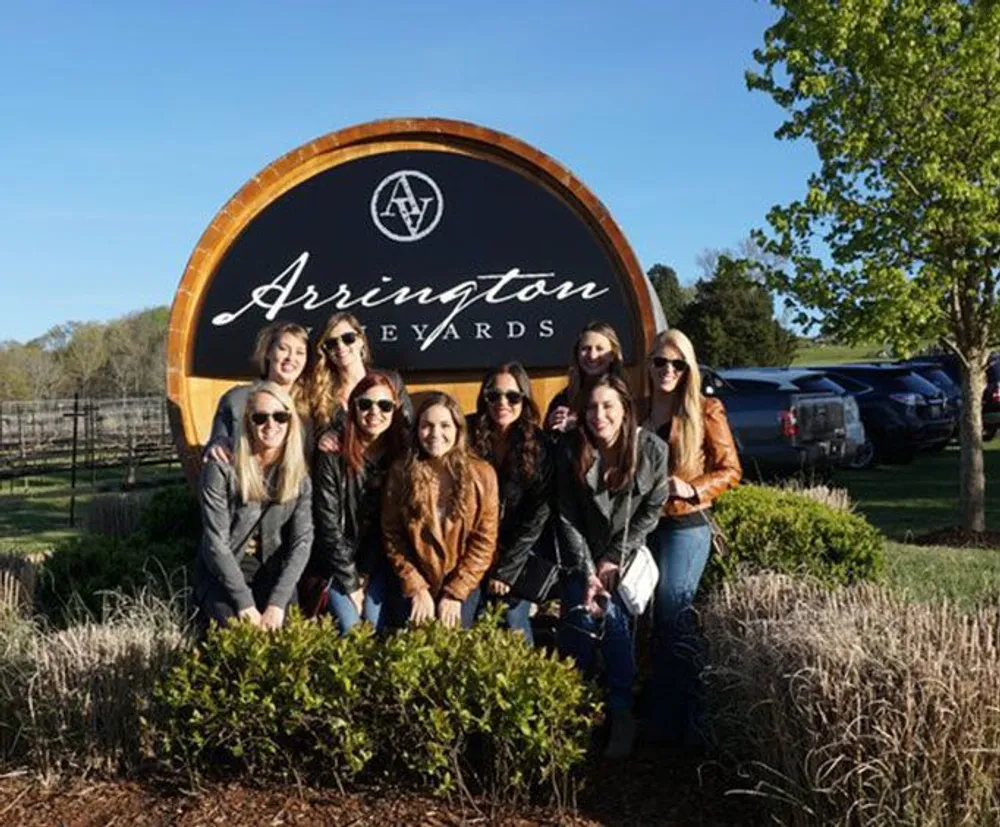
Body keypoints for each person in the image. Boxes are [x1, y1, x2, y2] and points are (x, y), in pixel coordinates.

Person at [555, 374, 669, 759]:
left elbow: (654, 507)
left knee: (617, 628)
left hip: (622, 558)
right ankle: (580, 713)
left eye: (608, 406)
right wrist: (588, 570)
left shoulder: (651, 450)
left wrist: (614, 560)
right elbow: (566, 516)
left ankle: (621, 715)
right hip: (580, 557)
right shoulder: (573, 450)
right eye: (591, 407)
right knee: (579, 625)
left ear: (624, 410)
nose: (598, 414)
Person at [642, 328, 741, 747]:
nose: (668, 370)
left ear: (688, 368)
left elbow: (731, 470)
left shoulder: (706, 409)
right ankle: (657, 716)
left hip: (686, 524)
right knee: (643, 617)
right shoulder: (636, 410)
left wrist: (694, 488)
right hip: (642, 525)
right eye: (661, 362)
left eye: (677, 364)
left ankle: (696, 716)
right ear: (649, 365)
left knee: (673, 611)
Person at [195, 381, 313, 630]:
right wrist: (245, 603)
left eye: (280, 417)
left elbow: (302, 542)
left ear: (291, 422)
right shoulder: (221, 468)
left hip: (271, 569)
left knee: (287, 637)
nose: (271, 425)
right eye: (260, 417)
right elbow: (216, 544)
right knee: (239, 634)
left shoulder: (298, 475)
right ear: (248, 422)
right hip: (225, 570)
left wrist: (278, 603)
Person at [382, 392, 499, 629]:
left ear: (458, 429)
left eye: (445, 425)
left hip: (463, 580)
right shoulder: (401, 473)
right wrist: (416, 587)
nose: (435, 434)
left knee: (453, 642)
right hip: (414, 578)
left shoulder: (482, 474)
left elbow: (484, 541)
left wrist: (456, 592)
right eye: (427, 426)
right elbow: (392, 534)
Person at [312, 371, 408, 633]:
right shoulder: (333, 453)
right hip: (336, 563)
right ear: (353, 407)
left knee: (373, 623)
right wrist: (351, 581)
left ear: (395, 410)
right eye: (365, 404)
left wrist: (365, 573)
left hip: (379, 562)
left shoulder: (402, 456)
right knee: (351, 627)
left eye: (385, 405)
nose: (374, 412)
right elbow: (328, 524)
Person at [467, 363, 553, 643]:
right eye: (494, 396)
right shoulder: (466, 435)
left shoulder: (540, 445)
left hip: (518, 551)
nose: (502, 403)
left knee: (513, 620)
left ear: (524, 400)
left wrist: (506, 570)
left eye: (513, 397)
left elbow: (538, 516)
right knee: (468, 618)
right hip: (473, 550)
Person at [204, 321, 310, 462]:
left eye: (300, 352)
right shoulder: (237, 400)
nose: (291, 358)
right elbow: (217, 440)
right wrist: (218, 444)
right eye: (283, 349)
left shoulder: (312, 404)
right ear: (268, 352)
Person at [546, 321, 625, 433]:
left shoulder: (624, 395)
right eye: (586, 349)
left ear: (612, 355)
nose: (592, 356)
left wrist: (580, 425)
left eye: (599, 349)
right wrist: (551, 425)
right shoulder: (564, 398)